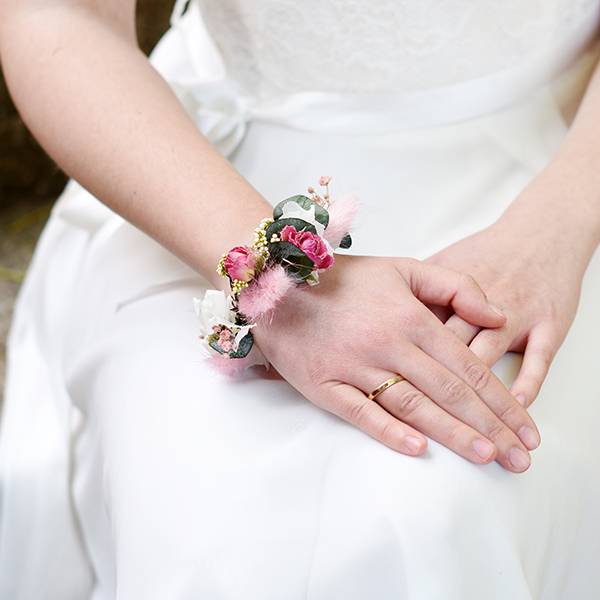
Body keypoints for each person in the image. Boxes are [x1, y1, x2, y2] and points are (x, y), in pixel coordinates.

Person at [1, 0, 599, 598]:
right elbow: (58, 15)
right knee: (224, 514)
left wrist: (558, 230)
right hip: (199, 183)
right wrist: (276, 282)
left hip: (564, 169)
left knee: (446, 501)